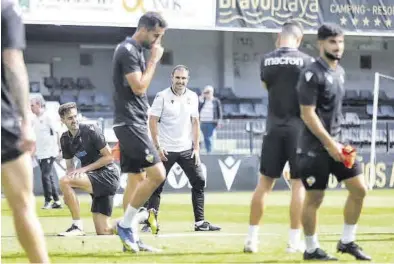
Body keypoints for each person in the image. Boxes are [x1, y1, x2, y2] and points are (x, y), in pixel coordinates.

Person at [296, 23, 371, 261]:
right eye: (332, 42)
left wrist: (338, 143)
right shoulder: (311, 72)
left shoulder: (340, 72)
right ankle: (311, 249)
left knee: (359, 189)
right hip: (314, 147)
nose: (338, 47)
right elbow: (308, 114)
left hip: (339, 143)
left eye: (340, 42)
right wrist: (330, 144)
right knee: (315, 198)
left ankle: (347, 241)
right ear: (320, 43)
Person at [244, 20, 314, 254]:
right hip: (298, 129)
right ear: (299, 39)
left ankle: (251, 240)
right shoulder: (307, 62)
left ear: (278, 37)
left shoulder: (266, 60)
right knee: (298, 185)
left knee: (264, 184)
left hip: (273, 127)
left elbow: (267, 87)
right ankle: (294, 242)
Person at [111, 11, 168, 253]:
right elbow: (138, 87)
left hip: (132, 121)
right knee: (158, 174)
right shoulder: (127, 51)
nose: (157, 41)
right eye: (156, 35)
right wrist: (154, 60)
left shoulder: (135, 51)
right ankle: (124, 226)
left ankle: (130, 237)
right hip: (129, 122)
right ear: (144, 29)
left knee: (137, 180)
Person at [144, 65, 221, 232]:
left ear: (188, 79)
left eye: (183, 78)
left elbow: (195, 122)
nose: (180, 81)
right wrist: (157, 146)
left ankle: (200, 223)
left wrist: (196, 148)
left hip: (186, 149)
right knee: (156, 185)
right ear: (172, 77)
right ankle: (150, 222)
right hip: (165, 149)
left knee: (199, 181)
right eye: (178, 78)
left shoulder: (193, 97)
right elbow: (152, 121)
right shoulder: (161, 96)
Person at [1, 0, 50, 262]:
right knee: (22, 205)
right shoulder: (6, 10)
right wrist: (26, 121)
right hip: (2, 121)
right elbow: (12, 62)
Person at [57, 102, 120, 237]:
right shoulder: (64, 139)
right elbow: (70, 169)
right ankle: (134, 220)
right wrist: (68, 192)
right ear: (62, 120)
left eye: (75, 116)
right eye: (69, 118)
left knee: (64, 181)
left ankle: (77, 226)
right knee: (103, 231)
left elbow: (109, 158)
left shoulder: (91, 130)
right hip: (93, 177)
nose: (74, 120)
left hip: (108, 175)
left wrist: (83, 170)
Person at [31, 96, 62, 209]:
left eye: (32, 105)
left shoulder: (48, 117)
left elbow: (58, 132)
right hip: (40, 152)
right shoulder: (34, 119)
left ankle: (48, 200)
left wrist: (59, 149)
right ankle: (57, 201)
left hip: (50, 152)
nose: (31, 108)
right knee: (49, 176)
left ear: (39, 105)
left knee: (45, 176)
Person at [198, 85, 222, 153]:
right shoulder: (202, 100)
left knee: (208, 138)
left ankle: (209, 152)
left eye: (208, 92)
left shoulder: (216, 101)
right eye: (206, 92)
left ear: (212, 92)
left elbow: (219, 112)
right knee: (200, 138)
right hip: (202, 122)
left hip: (211, 122)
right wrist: (202, 97)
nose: (207, 94)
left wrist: (219, 122)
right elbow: (197, 107)